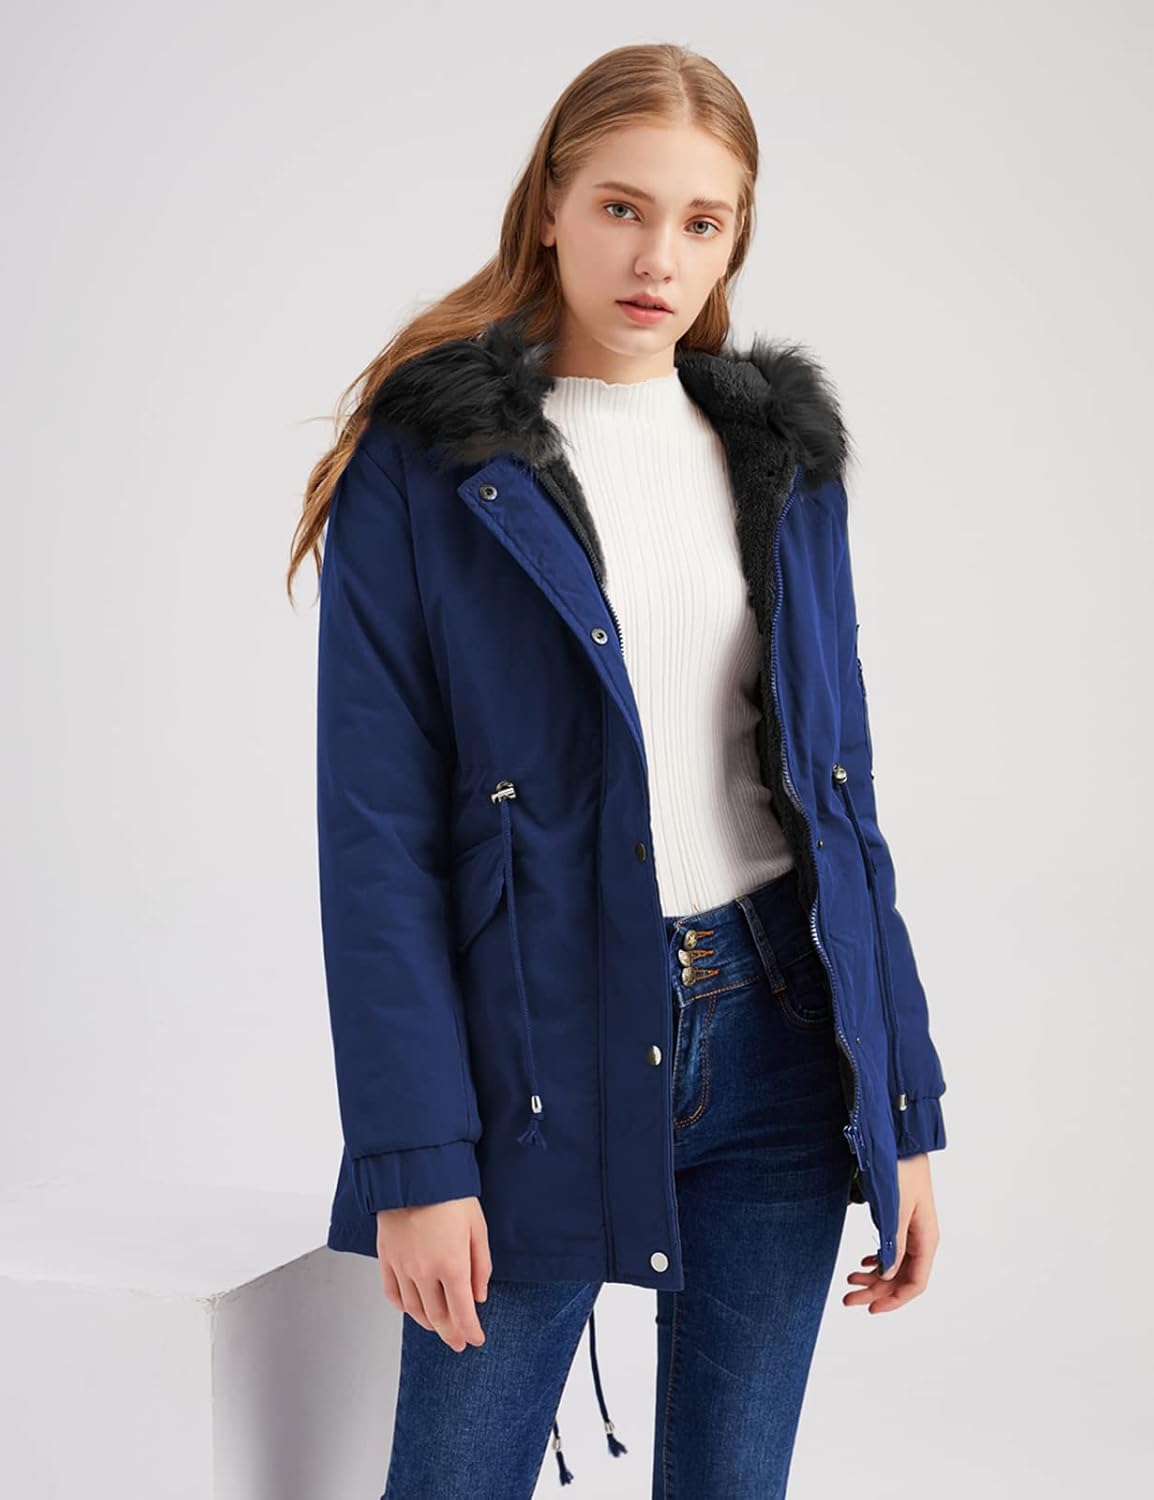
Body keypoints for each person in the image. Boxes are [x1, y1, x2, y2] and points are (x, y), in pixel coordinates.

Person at [287, 40, 948, 1500]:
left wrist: (900, 1109)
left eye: (701, 221)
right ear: (550, 206)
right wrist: (417, 1159)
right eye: (621, 208)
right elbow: (376, 834)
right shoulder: (432, 461)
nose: (659, 258)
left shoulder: (782, 461)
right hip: (535, 1044)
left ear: (736, 236)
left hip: (782, 1030)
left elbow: (842, 796)